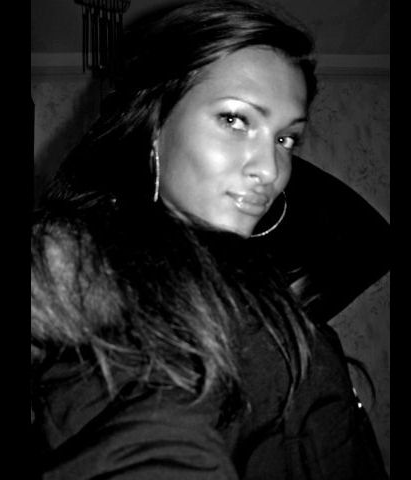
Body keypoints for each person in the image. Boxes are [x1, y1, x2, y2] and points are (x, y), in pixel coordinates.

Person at [31, 1, 390, 479]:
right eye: (235, 120)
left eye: (286, 139)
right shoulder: (103, 284)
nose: (271, 170)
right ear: (154, 126)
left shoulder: (235, 283)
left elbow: (369, 242)